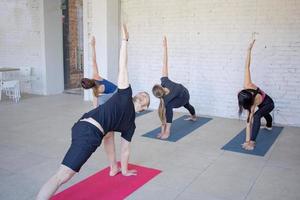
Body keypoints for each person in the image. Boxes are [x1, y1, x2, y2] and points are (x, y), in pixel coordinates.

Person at [36, 24, 150, 200]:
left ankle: (114, 168)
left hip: (88, 126)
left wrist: (125, 170)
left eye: (145, 98)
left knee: (109, 134)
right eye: (142, 93)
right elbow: (123, 67)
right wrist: (125, 41)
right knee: (62, 177)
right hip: (88, 132)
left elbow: (125, 149)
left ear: (143, 108)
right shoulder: (125, 94)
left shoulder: (130, 125)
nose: (143, 95)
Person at [152, 36, 196, 139]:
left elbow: (164, 63)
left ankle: (168, 131)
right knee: (185, 106)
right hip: (181, 93)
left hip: (184, 95)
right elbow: (162, 114)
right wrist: (165, 47)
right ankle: (193, 117)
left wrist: (165, 47)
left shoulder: (165, 88)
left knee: (182, 104)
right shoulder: (164, 83)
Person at [238, 39, 274, 150]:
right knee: (263, 113)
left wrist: (249, 142)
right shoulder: (247, 84)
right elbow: (246, 67)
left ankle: (254, 141)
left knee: (258, 115)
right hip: (262, 103)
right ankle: (269, 125)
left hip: (269, 103)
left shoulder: (253, 104)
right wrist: (248, 50)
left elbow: (249, 122)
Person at [80, 36, 117, 107]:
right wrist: (93, 45)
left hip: (117, 95)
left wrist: (94, 114)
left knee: (100, 100)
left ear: (88, 88)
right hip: (118, 91)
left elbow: (95, 105)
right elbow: (94, 61)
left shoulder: (95, 91)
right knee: (101, 100)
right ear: (88, 79)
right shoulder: (96, 77)